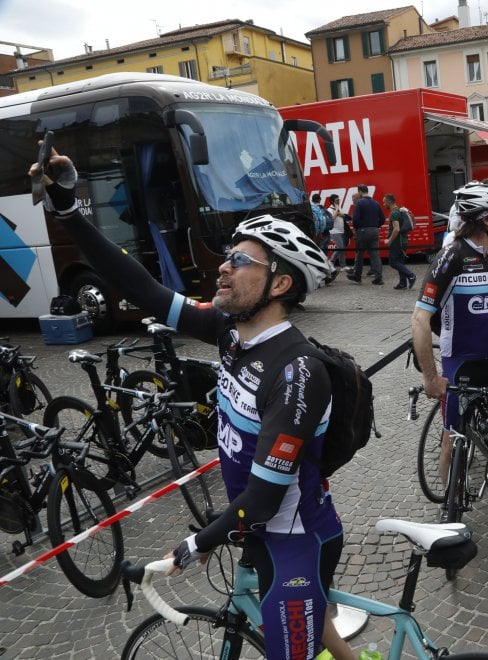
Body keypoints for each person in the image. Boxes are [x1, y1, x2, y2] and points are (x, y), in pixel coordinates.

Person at [31, 151, 354, 660]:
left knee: (291, 648)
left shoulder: (297, 372)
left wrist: (193, 547)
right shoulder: (229, 332)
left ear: (281, 284)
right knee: (296, 630)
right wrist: (69, 209)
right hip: (255, 529)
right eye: (228, 256)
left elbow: (266, 497)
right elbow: (142, 286)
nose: (224, 266)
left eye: (241, 261)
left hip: (295, 540)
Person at [411, 182, 488, 536]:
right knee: (451, 436)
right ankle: (448, 506)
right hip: (461, 365)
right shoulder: (450, 257)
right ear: (486, 219)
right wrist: (431, 378)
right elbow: (419, 319)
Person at [347, 184, 384, 285]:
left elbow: (355, 219)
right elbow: (383, 218)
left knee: (359, 254)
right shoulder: (376, 203)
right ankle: (378, 277)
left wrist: (359, 227)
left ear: (360, 192)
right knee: (375, 255)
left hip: (362, 231)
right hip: (374, 231)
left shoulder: (360, 202)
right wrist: (376, 226)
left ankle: (357, 276)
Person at [382, 193, 417, 290]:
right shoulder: (399, 211)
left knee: (393, 262)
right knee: (400, 262)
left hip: (398, 243)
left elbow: (396, 229)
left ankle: (411, 275)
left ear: (389, 202)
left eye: (384, 202)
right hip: (404, 241)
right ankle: (402, 283)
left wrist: (389, 241)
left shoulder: (394, 213)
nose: (383, 205)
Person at [328, 193, 349, 271]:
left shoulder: (339, 208)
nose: (338, 201)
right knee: (340, 247)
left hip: (342, 231)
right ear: (332, 201)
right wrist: (337, 209)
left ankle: (343, 266)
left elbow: (344, 216)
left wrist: (338, 211)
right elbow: (332, 218)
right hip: (334, 231)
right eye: (337, 200)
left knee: (342, 248)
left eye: (338, 200)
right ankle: (331, 261)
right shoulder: (329, 209)